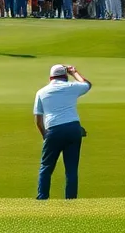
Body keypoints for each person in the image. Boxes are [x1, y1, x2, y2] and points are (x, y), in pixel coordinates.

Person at [34, 64, 92, 200]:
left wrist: (45, 136)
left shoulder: (41, 92)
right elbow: (87, 84)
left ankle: (42, 199)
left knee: (46, 167)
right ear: (65, 76)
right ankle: (70, 201)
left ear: (50, 77)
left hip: (53, 130)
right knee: (71, 169)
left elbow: (38, 120)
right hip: (74, 128)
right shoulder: (72, 86)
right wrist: (74, 72)